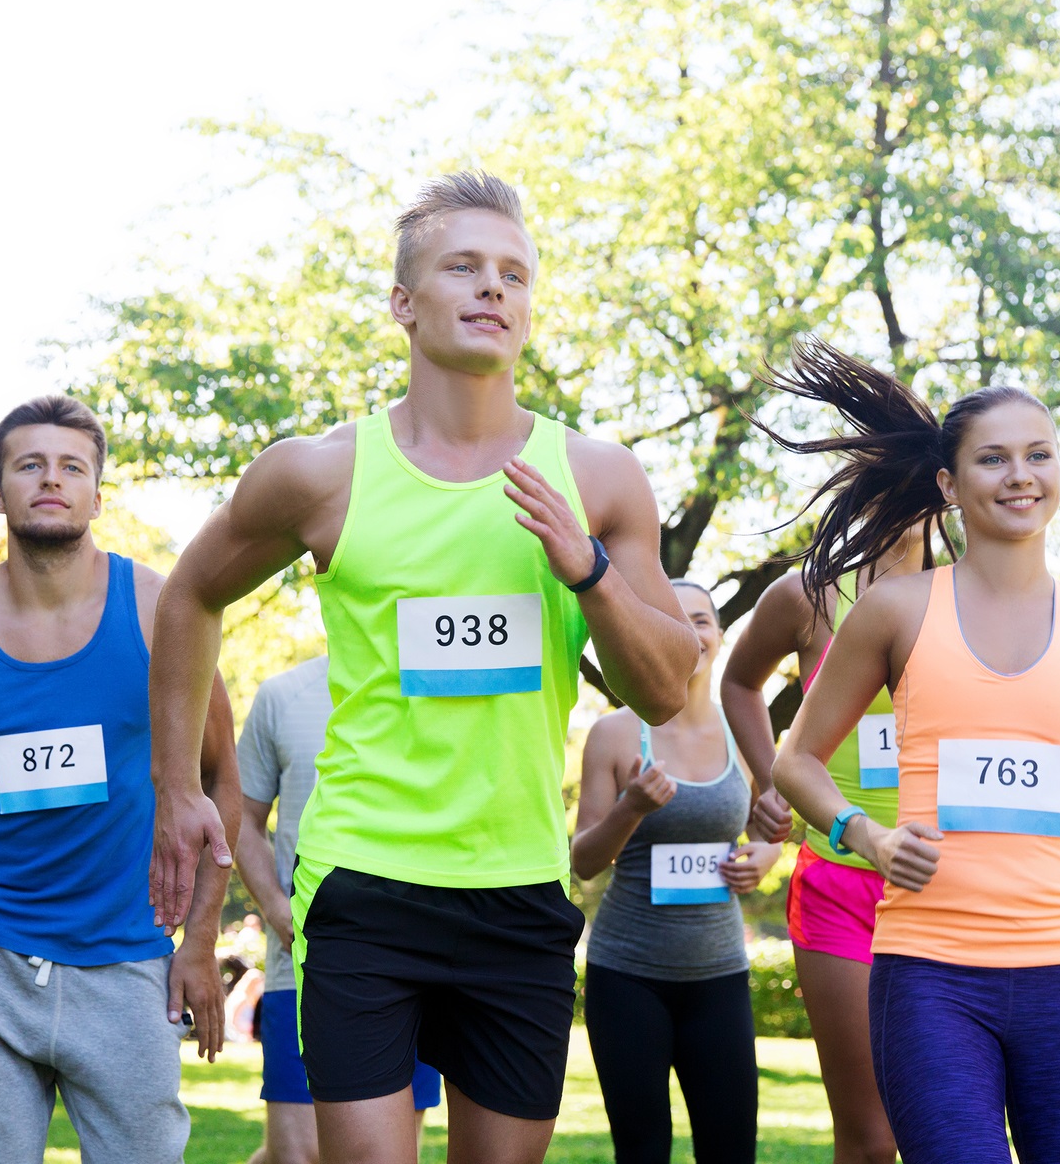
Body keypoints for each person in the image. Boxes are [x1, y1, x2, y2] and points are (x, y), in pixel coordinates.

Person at [144, 171, 701, 1164]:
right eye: (464, 268)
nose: (495, 288)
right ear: (404, 303)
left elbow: (665, 687)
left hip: (520, 886)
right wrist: (176, 785)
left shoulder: (601, 479)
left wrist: (588, 569)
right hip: (365, 882)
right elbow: (189, 594)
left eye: (514, 274)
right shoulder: (320, 473)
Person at [763, 340, 1060, 1164]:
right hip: (931, 975)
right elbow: (796, 761)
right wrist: (869, 836)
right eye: (992, 459)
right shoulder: (894, 610)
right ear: (949, 486)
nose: (1020, 475)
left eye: (1039, 455)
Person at [0, 396, 244, 1164]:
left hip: (127, 951)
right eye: (30, 464)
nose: (52, 479)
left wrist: (201, 940)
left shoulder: (163, 612)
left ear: (97, 495)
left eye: (72, 466)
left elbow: (220, 779)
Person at [719, 528, 932, 1164]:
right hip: (840, 883)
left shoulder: (970, 594)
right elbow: (738, 682)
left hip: (948, 884)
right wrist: (771, 779)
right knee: (872, 1139)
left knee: (943, 1129)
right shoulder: (808, 597)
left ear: (945, 478)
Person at [572, 580, 780, 1164]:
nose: (691, 631)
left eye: (702, 620)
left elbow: (779, 823)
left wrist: (765, 855)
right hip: (627, 976)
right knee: (642, 1151)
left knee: (731, 1148)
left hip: (719, 976)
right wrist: (632, 807)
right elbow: (584, 862)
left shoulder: (746, 732)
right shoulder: (616, 733)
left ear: (719, 635)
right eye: (674, 618)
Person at [234, 655, 444, 1164]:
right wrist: (278, 909)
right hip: (301, 965)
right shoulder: (285, 694)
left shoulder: (441, 673)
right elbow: (240, 816)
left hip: (418, 966)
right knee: (296, 1156)